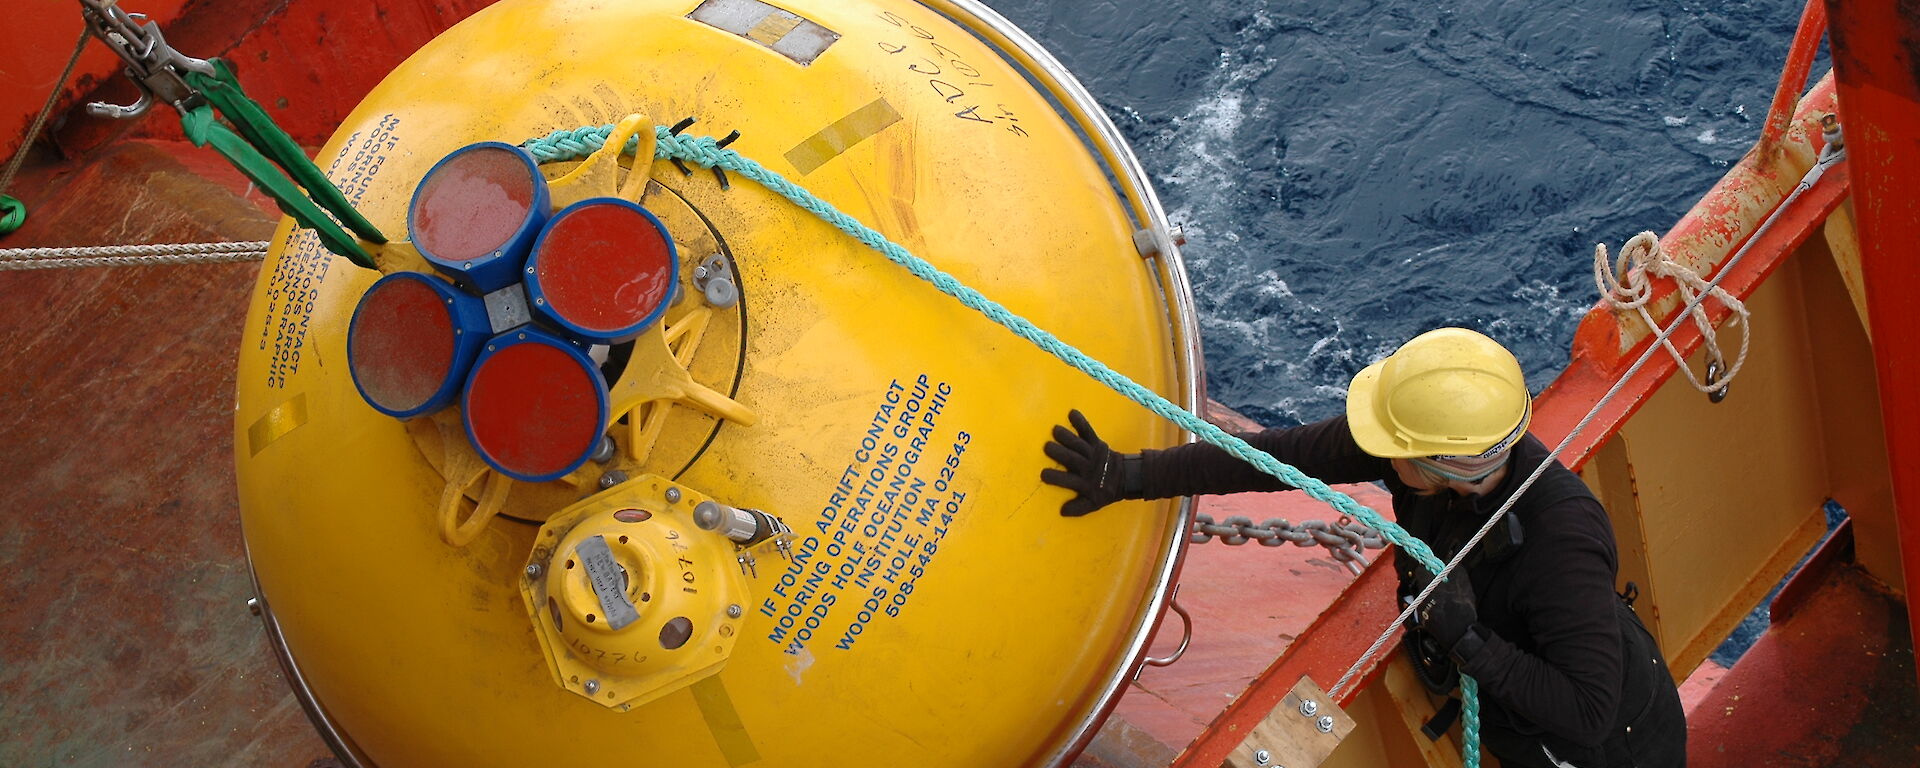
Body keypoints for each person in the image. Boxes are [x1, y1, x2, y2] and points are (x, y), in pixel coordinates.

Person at [1040, 328, 1685, 768]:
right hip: (1517, 699)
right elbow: (1280, 457)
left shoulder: (1561, 542)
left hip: (1603, 750)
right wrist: (1130, 476)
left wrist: (1470, 643)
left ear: (1444, 465)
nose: (1374, 450)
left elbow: (1589, 712)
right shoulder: (1421, 453)